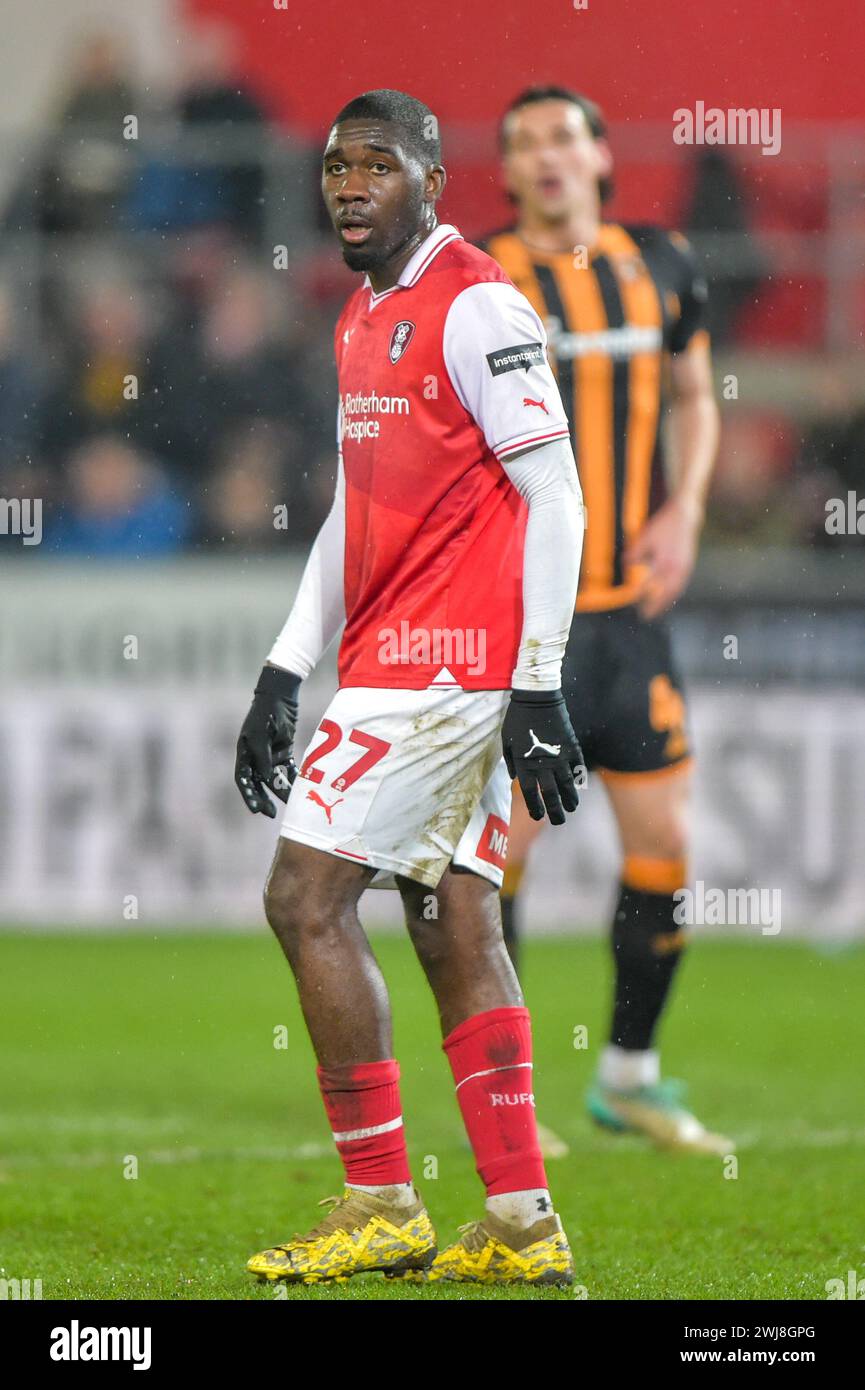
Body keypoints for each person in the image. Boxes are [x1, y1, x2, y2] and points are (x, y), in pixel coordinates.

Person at [234, 88, 586, 1285]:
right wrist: (286, 667)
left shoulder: (478, 301)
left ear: (430, 175)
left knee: (304, 900)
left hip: (447, 669)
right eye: (334, 164)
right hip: (394, 660)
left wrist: (537, 681)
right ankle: (522, 1218)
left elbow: (557, 494)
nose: (346, 183)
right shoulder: (360, 314)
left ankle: (381, 1198)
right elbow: (355, 509)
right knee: (452, 917)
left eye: (375, 163)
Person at [482, 87, 730, 1155]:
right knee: (504, 850)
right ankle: (502, 1095)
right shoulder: (482, 281)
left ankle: (628, 1075)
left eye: (562, 136)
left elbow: (694, 393)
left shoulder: (661, 259)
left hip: (632, 619)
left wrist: (685, 507)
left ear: (598, 153)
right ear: (505, 173)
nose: (545, 157)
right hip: (526, 622)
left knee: (664, 841)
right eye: (523, 144)